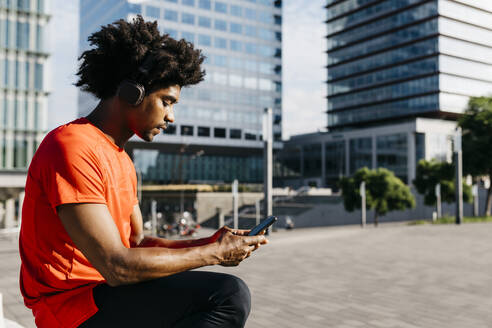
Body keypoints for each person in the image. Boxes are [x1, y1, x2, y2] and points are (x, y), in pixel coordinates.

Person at [19, 16, 267, 328]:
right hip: (74, 308)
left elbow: (136, 244)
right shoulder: (71, 146)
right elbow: (117, 266)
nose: (172, 117)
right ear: (132, 92)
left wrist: (209, 243)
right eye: (167, 101)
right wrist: (214, 254)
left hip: (108, 295)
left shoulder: (122, 160)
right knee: (227, 295)